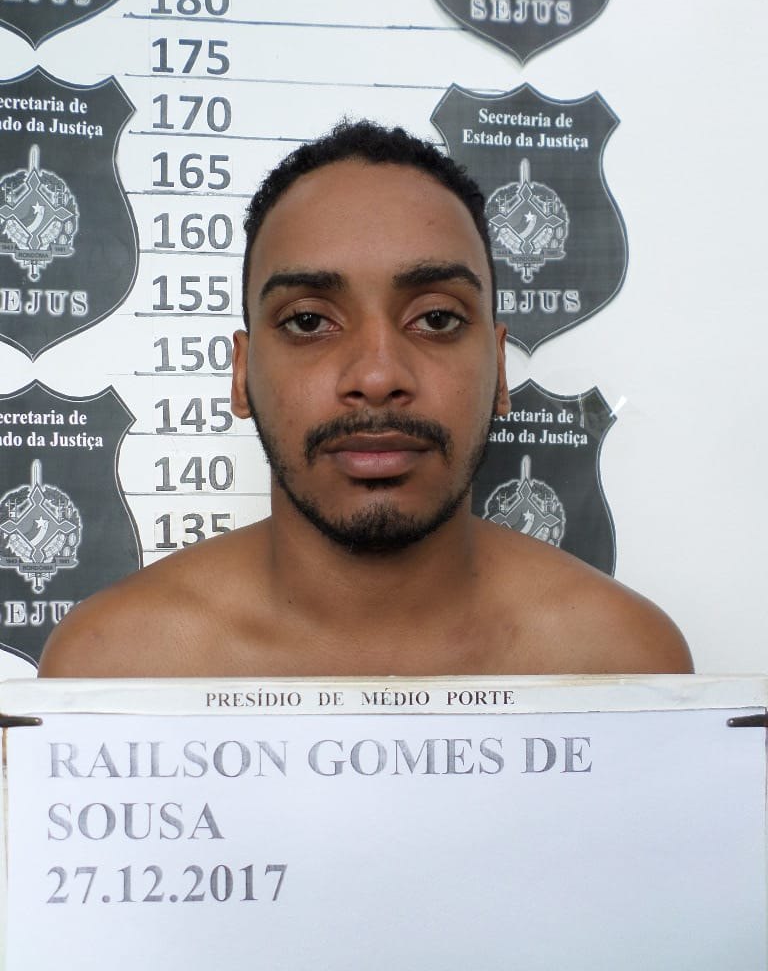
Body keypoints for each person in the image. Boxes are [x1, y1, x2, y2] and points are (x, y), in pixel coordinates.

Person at [39, 121, 692, 677]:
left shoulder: (625, 662)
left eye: (436, 319)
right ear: (241, 374)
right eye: (308, 321)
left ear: (498, 370)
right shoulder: (111, 666)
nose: (378, 376)